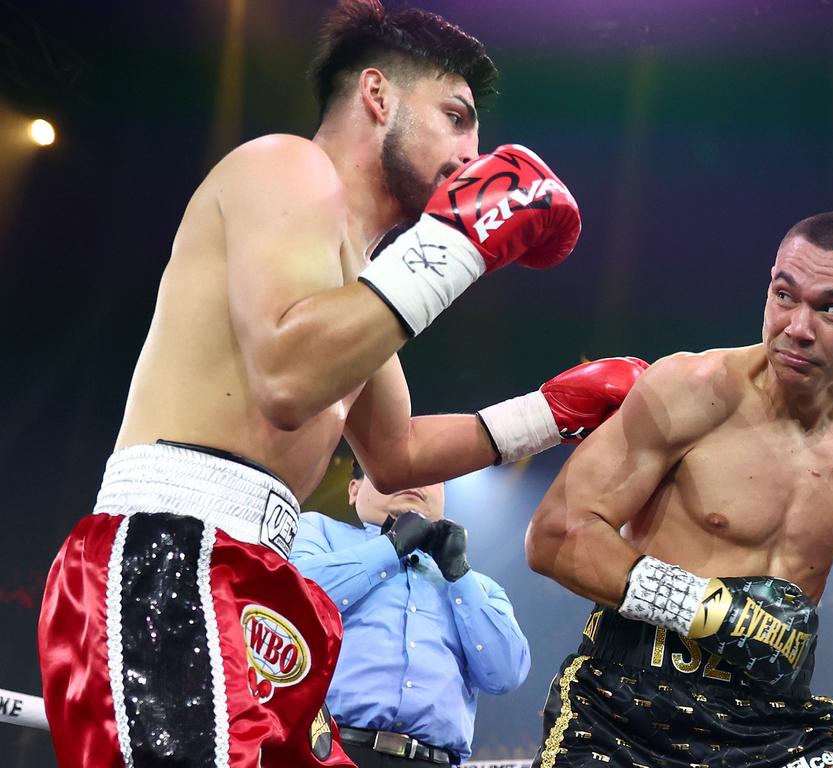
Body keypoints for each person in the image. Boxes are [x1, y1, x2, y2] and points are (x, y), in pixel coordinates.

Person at [34, 1, 648, 765]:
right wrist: (456, 244)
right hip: (172, 552)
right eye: (455, 117)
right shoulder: (284, 167)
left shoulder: (356, 292)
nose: (472, 155)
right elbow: (287, 382)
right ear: (377, 94)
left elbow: (397, 454)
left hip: (258, 574)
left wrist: (553, 411)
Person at [525, 212, 833, 768]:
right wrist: (714, 612)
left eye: (831, 308)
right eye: (785, 295)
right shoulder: (690, 390)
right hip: (627, 708)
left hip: (774, 724)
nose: (797, 327)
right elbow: (554, 536)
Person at [291, 459, 529, 767]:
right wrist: (390, 548)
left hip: (435, 760)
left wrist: (460, 575)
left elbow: (506, 673)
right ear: (354, 489)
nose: (413, 480)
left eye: (430, 475)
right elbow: (295, 599)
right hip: (329, 751)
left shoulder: (480, 586)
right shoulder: (318, 532)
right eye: (395, 469)